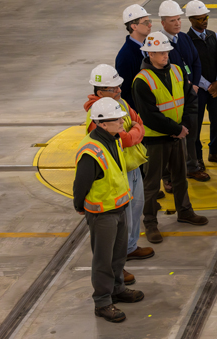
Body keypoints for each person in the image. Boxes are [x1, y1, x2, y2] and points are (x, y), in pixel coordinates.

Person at [132, 32, 208, 244]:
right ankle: (150, 222)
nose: (166, 55)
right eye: (161, 52)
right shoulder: (141, 81)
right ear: (150, 54)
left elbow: (190, 99)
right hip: (156, 139)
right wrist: (176, 129)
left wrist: (184, 126)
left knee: (180, 176)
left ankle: (184, 211)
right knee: (152, 183)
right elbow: (149, 115)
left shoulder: (176, 71)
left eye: (166, 51)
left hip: (178, 135)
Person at [73, 98, 144, 322]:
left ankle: (117, 289)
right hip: (103, 213)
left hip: (120, 208)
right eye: (117, 120)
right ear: (102, 124)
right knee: (103, 260)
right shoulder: (90, 151)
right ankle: (102, 301)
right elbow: (81, 185)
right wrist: (79, 206)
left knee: (118, 255)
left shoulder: (113, 140)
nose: (123, 122)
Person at [83, 65, 153, 286]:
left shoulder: (120, 103)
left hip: (132, 166)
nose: (119, 90)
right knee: (117, 226)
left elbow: (138, 123)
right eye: (114, 88)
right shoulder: (96, 113)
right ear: (101, 91)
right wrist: (134, 132)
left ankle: (130, 248)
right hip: (116, 174)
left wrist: (134, 131)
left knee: (135, 211)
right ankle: (117, 270)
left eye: (118, 86)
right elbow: (125, 139)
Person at [158, 0, 208, 181]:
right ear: (163, 23)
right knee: (171, 137)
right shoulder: (159, 43)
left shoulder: (184, 38)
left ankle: (192, 166)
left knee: (191, 132)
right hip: (171, 100)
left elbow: (195, 62)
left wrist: (195, 84)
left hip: (189, 94)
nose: (178, 23)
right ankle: (169, 176)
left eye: (179, 19)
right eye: (173, 20)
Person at [185, 0, 217, 167]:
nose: (203, 21)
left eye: (205, 17)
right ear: (190, 20)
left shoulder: (213, 36)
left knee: (216, 121)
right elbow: (189, 68)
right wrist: (208, 86)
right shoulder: (186, 41)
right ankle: (197, 157)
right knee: (196, 125)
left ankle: (214, 152)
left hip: (216, 87)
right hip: (198, 90)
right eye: (199, 19)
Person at [115, 4, 152, 105]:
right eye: (146, 23)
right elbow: (125, 91)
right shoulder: (125, 56)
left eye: (150, 21)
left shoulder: (148, 47)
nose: (150, 25)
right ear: (134, 26)